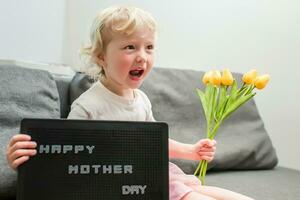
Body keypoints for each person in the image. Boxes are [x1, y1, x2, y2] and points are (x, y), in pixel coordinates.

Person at [6, 5, 254, 200]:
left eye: (149, 47)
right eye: (130, 47)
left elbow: (155, 142)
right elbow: (68, 156)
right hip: (122, 184)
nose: (142, 57)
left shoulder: (141, 100)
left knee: (208, 191)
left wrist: (190, 150)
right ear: (102, 56)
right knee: (189, 195)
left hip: (152, 173)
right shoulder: (88, 105)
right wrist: (28, 158)